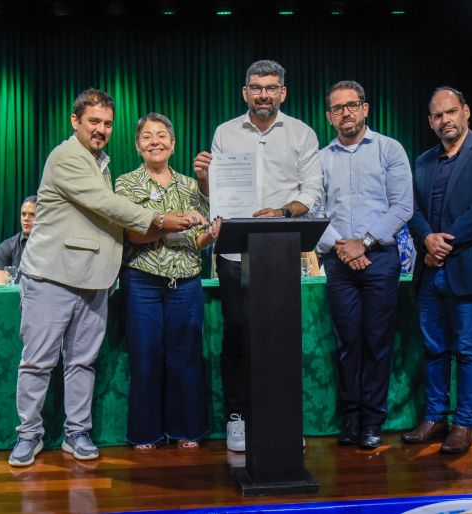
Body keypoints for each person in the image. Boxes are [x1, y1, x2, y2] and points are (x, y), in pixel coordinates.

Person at [9, 89, 201, 467]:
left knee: (82, 362)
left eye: (108, 123)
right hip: (52, 276)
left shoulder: (101, 162)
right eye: (94, 121)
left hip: (95, 279)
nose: (101, 129)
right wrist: (161, 219)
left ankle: (76, 432)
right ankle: (28, 435)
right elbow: (108, 205)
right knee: (38, 362)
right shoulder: (66, 156)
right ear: (75, 121)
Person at [192, 59, 322, 452]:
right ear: (245, 92)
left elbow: (312, 192)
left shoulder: (301, 133)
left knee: (281, 337)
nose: (263, 94)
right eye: (256, 88)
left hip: (281, 254)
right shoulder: (225, 133)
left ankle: (283, 418)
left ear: (283, 92)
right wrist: (204, 180)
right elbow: (215, 197)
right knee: (237, 335)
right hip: (234, 255)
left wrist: (282, 213)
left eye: (271, 88)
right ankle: (238, 416)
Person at [404, 87, 472, 453]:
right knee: (434, 348)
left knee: (467, 350)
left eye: (451, 112)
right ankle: (435, 418)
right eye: (437, 115)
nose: (445, 120)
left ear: (466, 112)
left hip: (469, 267)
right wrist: (426, 239)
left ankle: (464, 425)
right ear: (430, 122)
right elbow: (411, 209)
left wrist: (441, 243)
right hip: (429, 270)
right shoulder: (423, 161)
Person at [314, 80, 413, 449]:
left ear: (365, 109)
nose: (346, 113)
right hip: (338, 261)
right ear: (329, 117)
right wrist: (342, 247)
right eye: (338, 108)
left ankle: (372, 421)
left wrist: (364, 243)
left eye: (352, 105)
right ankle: (351, 418)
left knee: (376, 342)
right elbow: (314, 210)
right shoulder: (321, 159)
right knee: (347, 343)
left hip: (380, 259)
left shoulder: (390, 149)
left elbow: (403, 206)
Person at [116, 113, 220, 451]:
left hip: (186, 282)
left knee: (186, 358)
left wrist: (211, 235)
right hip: (142, 282)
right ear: (137, 145)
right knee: (145, 357)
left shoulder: (190, 185)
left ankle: (187, 430)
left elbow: (196, 240)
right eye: (147, 136)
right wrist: (169, 224)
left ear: (173, 144)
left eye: (162, 135)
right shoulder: (126, 184)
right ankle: (145, 433)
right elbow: (131, 233)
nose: (155, 142)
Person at [0, 196, 37, 285]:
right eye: (23, 214)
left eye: (32, 214)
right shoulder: (6, 247)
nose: (26, 218)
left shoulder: (52, 247)